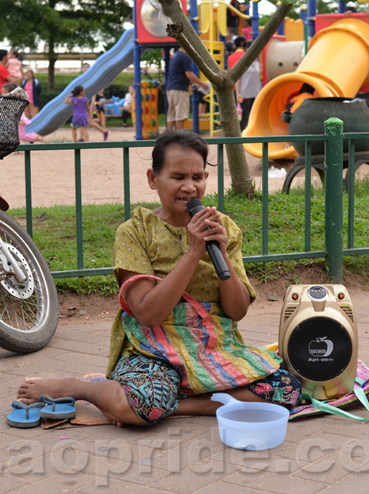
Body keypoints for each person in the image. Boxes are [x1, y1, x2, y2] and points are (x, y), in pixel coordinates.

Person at [16, 130, 301, 427]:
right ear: (153, 179)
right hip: (153, 349)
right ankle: (80, 387)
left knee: (285, 391)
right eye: (178, 177)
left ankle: (174, 406)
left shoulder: (223, 227)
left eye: (197, 177)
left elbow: (237, 311)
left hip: (210, 348)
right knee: (137, 406)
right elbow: (148, 314)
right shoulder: (135, 231)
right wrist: (193, 254)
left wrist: (221, 253)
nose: (190, 187)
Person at [166, 47, 208, 130]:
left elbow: (178, 74)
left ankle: (168, 136)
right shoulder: (184, 57)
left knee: (171, 114)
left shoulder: (176, 55)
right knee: (180, 115)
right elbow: (189, 74)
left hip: (171, 88)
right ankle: (179, 138)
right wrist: (202, 84)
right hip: (180, 89)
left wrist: (193, 82)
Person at [237, 40, 262, 131]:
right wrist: (237, 94)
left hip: (255, 93)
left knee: (254, 116)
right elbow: (238, 79)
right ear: (247, 49)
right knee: (244, 118)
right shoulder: (242, 63)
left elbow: (257, 79)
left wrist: (261, 91)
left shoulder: (257, 63)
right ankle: (242, 136)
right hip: (245, 94)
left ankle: (252, 134)